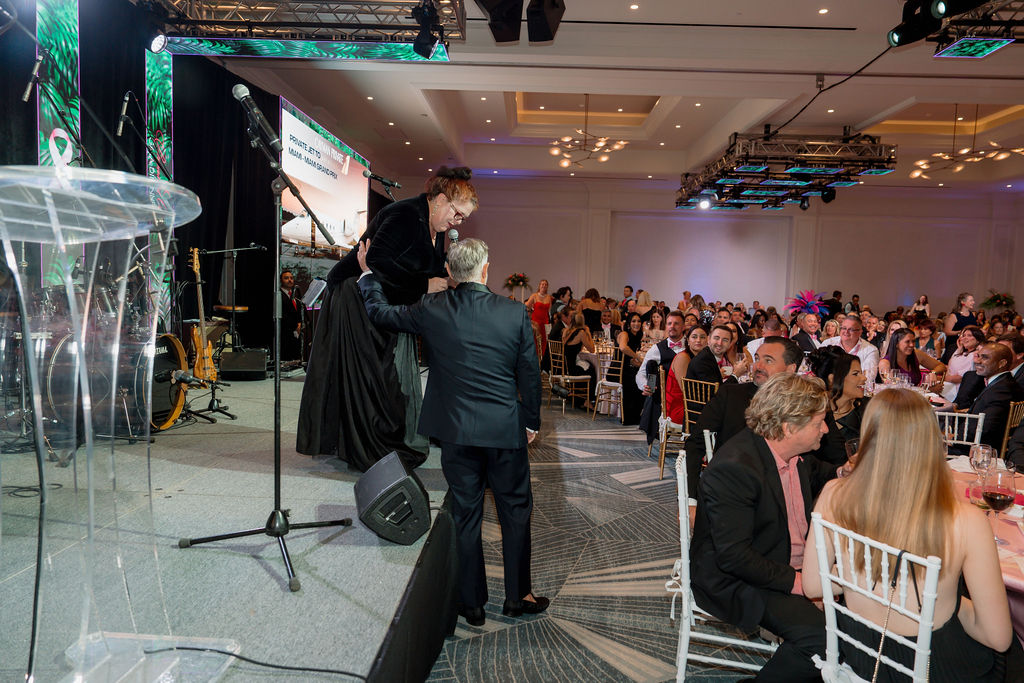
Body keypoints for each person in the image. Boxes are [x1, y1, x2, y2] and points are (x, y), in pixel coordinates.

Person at [356, 237, 546, 626]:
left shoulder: (432, 307)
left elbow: (381, 313)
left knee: (466, 513)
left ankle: (471, 603)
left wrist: (368, 277)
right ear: (486, 270)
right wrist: (530, 422)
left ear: (449, 272)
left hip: (456, 432)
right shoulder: (513, 312)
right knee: (515, 512)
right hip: (504, 430)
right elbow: (529, 373)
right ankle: (518, 597)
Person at [803, 388, 1013, 682]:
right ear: (932, 441)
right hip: (932, 668)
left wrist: (857, 571)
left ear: (869, 435)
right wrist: (952, 600)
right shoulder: (967, 520)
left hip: (861, 655)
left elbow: (813, 584)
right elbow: (998, 638)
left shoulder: (833, 494)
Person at [297, 167, 475, 470]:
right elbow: (376, 263)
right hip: (356, 297)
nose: (457, 222)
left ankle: (378, 440)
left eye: (463, 218)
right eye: (457, 214)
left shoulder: (434, 226)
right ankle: (370, 447)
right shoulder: (404, 214)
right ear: (441, 200)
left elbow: (422, 267)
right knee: (370, 379)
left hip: (385, 300)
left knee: (385, 379)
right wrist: (423, 286)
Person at [691, 372, 842, 682]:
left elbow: (819, 472)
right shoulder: (735, 468)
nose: (826, 429)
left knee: (862, 620)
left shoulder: (791, 454)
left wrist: (843, 471)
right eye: (819, 422)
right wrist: (804, 585)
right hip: (740, 578)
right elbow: (734, 557)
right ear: (789, 427)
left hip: (780, 560)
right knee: (824, 641)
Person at [681, 337, 803, 498]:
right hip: (733, 489)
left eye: (768, 361)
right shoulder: (731, 395)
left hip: (788, 490)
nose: (758, 366)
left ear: (790, 369)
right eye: (757, 358)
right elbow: (695, 444)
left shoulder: (804, 403)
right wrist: (690, 498)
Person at [806, 346, 869, 465]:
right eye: (856, 374)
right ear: (832, 379)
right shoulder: (817, 416)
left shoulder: (868, 407)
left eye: (861, 373)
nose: (864, 378)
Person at [878, 327, 946, 391]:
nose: (911, 345)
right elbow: (894, 390)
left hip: (915, 396)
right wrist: (926, 390)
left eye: (913, 341)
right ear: (896, 344)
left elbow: (941, 366)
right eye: (907, 342)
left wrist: (933, 372)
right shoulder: (885, 363)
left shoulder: (917, 354)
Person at [821, 316, 880, 385]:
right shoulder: (828, 343)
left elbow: (867, 378)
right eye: (844, 328)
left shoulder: (871, 350)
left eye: (851, 329)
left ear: (860, 332)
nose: (846, 332)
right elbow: (819, 369)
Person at [561, 312, 597, 408]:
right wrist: (588, 332)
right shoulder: (581, 333)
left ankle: (578, 395)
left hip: (565, 366)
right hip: (573, 368)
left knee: (588, 365)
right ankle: (589, 400)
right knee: (592, 370)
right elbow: (592, 349)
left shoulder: (568, 330)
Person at [618, 312, 646, 425]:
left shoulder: (637, 336)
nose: (636, 323)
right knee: (635, 380)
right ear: (629, 324)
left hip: (629, 367)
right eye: (633, 321)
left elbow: (630, 360)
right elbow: (623, 348)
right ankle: (629, 417)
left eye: (639, 321)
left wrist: (642, 364)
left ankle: (639, 414)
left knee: (647, 377)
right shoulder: (625, 334)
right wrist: (638, 357)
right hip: (618, 370)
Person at [278, 269, 303, 362]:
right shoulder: (278, 295)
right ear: (281, 281)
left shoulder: (296, 297)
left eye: (291, 278)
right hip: (284, 335)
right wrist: (295, 325)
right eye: (286, 278)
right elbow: (282, 314)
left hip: (295, 336)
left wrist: (300, 323)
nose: (290, 280)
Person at [525, 278, 552, 356]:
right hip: (536, 321)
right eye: (542, 284)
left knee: (544, 341)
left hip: (545, 322)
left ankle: (542, 358)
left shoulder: (549, 297)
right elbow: (526, 305)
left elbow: (549, 311)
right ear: (539, 286)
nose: (544, 285)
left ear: (547, 287)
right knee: (535, 340)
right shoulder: (534, 295)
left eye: (546, 284)